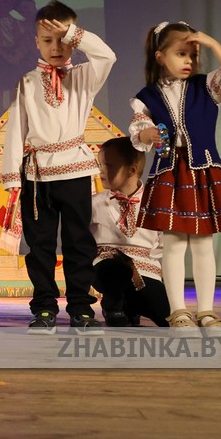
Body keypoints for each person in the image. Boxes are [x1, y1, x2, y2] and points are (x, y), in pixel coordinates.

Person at [1, 0, 115, 335]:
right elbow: (16, 130)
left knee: (79, 242)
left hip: (75, 170)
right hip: (37, 174)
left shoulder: (84, 76)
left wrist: (72, 32)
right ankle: (44, 306)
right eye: (48, 40)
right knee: (41, 246)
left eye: (62, 40)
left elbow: (107, 56)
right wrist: (12, 179)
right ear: (36, 42)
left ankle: (81, 306)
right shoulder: (27, 82)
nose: (56, 47)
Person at [129, 21, 221, 330]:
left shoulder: (206, 86)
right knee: (173, 244)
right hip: (170, 172)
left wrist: (213, 44)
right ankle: (178, 310)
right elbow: (139, 131)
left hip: (202, 169)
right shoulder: (147, 96)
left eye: (193, 55)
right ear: (160, 57)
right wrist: (147, 134)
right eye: (181, 54)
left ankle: (206, 310)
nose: (189, 61)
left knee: (203, 243)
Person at [91, 136, 169, 327]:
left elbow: (163, 243)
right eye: (100, 165)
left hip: (144, 267)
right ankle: (113, 305)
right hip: (106, 265)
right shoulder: (94, 203)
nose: (101, 171)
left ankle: (131, 307)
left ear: (132, 170)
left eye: (108, 165)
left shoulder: (155, 203)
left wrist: (142, 257)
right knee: (116, 270)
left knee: (163, 313)